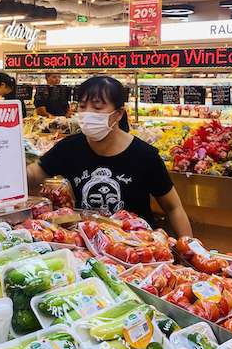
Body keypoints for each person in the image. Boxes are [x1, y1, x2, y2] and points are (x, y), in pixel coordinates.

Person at [27, 76, 192, 236]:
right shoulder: (69, 147)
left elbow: (173, 208)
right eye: (82, 106)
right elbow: (34, 174)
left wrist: (191, 249)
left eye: (97, 108)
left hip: (135, 247)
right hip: (84, 243)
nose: (87, 114)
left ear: (118, 113)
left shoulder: (145, 155)